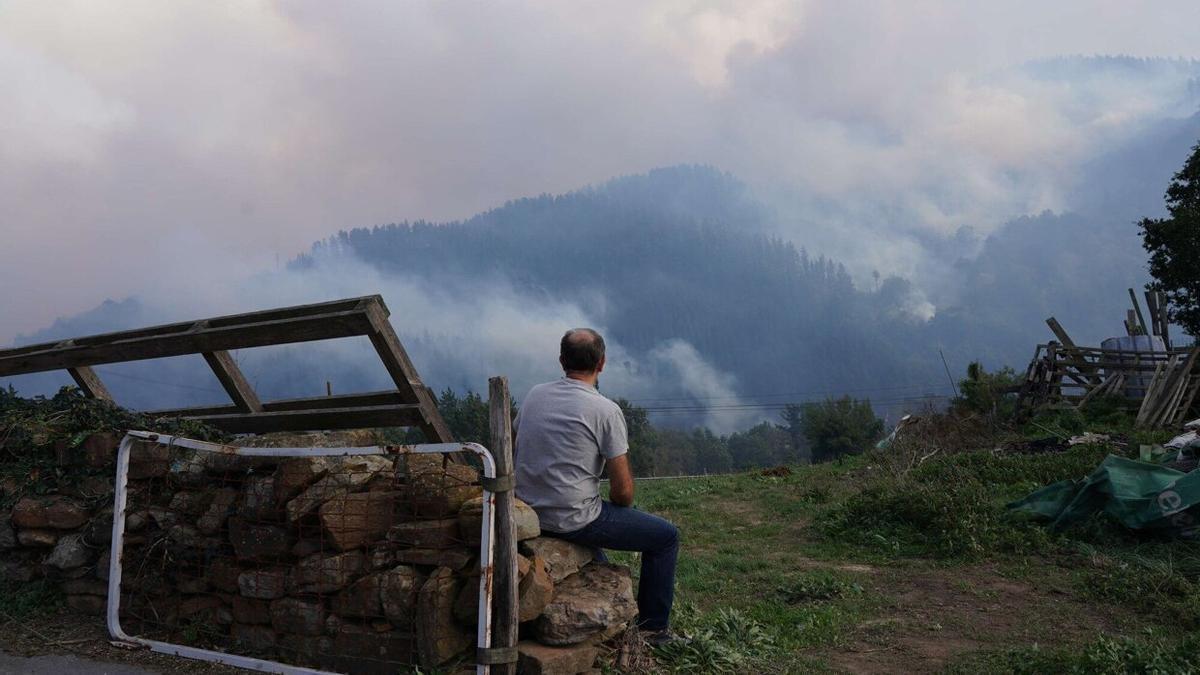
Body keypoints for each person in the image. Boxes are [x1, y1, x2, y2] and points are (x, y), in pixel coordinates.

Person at [514, 328, 683, 645]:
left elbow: (515, 449)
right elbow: (623, 493)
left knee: (597, 551)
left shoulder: (535, 395)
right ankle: (654, 630)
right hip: (573, 518)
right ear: (602, 363)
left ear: (562, 360)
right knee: (665, 538)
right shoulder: (605, 410)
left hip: (530, 514)